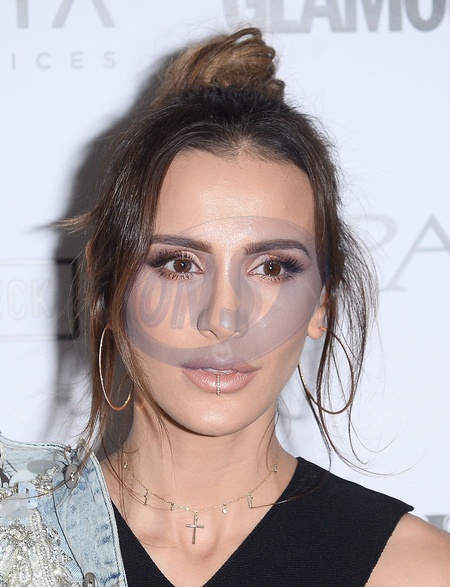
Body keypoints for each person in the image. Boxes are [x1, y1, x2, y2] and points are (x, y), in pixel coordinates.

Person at [0, 28, 449, 587]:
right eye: (179, 264)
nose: (223, 316)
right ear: (107, 285)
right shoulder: (11, 546)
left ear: (322, 301)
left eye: (272, 268)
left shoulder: (421, 571)